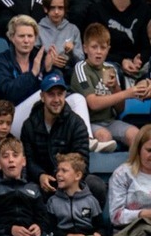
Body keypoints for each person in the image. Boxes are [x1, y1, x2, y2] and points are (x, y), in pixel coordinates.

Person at [20, 72, 111, 206]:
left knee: (96, 185)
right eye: (51, 94)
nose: (56, 99)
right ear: (42, 97)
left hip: (72, 179)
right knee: (27, 191)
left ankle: (93, 226)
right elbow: (28, 159)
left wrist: (65, 178)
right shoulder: (29, 125)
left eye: (60, 94)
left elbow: (82, 160)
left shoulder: (76, 123)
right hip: (44, 180)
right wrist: (40, 176)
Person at [72, 23, 145, 149]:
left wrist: (115, 87)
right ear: (85, 48)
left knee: (136, 135)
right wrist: (127, 93)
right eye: (94, 47)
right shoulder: (81, 68)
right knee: (105, 137)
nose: (98, 52)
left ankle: (132, 168)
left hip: (110, 121)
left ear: (108, 49)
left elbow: (120, 109)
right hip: (89, 123)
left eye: (103, 47)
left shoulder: (111, 68)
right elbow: (93, 103)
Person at [0, 137, 58, 236]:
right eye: (5, 156)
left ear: (24, 161)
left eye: (15, 155)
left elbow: (44, 220)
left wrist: (39, 228)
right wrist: (10, 230)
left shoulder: (34, 189)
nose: (11, 160)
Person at [0, 15, 56, 109]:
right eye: (21, 36)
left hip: (39, 114)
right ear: (12, 38)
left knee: (76, 98)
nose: (26, 41)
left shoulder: (41, 58)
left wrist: (49, 70)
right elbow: (8, 94)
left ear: (35, 38)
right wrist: (32, 74)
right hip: (10, 114)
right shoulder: (1, 62)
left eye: (30, 36)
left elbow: (55, 88)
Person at [89, 0, 151, 82]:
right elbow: (93, 49)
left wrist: (140, 59)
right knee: (109, 72)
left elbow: (147, 45)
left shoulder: (144, 10)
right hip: (110, 63)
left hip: (140, 66)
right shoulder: (96, 10)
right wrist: (121, 61)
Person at [46, 152, 104, 236]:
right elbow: (50, 230)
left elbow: (102, 227)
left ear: (77, 176)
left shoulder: (91, 201)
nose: (58, 174)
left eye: (64, 171)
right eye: (58, 170)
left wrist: (99, 235)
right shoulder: (52, 202)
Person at [108, 124, 151, 233]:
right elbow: (115, 216)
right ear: (138, 149)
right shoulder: (122, 174)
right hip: (130, 233)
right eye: (149, 150)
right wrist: (142, 214)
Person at [37, 0, 84, 80]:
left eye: (60, 8)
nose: (56, 12)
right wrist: (49, 61)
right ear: (45, 9)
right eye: (52, 7)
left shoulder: (73, 29)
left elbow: (81, 61)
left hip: (69, 70)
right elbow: (32, 59)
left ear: (65, 9)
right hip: (47, 72)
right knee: (56, 73)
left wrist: (72, 51)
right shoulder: (38, 29)